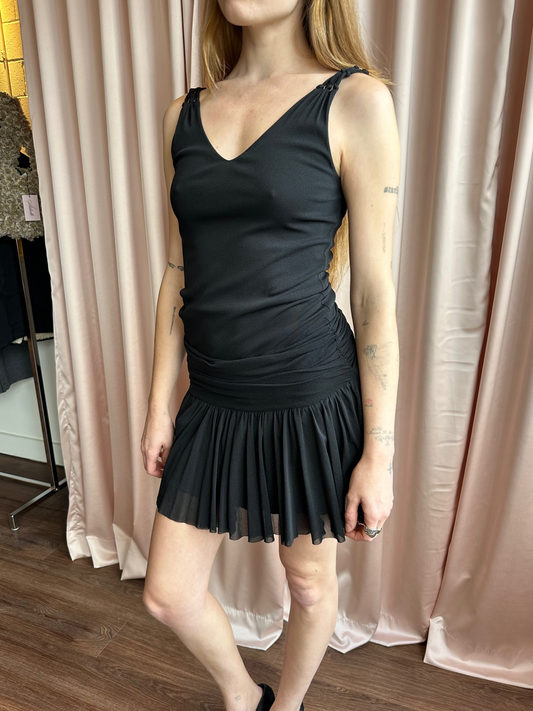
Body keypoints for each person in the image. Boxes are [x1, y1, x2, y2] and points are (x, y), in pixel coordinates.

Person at [141, 0, 400, 709]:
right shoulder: (182, 115)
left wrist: (378, 452)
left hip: (308, 390)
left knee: (309, 583)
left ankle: (286, 707)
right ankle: (242, 696)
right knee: (167, 593)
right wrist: (159, 404)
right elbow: (177, 271)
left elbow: (374, 292)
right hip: (213, 393)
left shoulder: (356, 101)